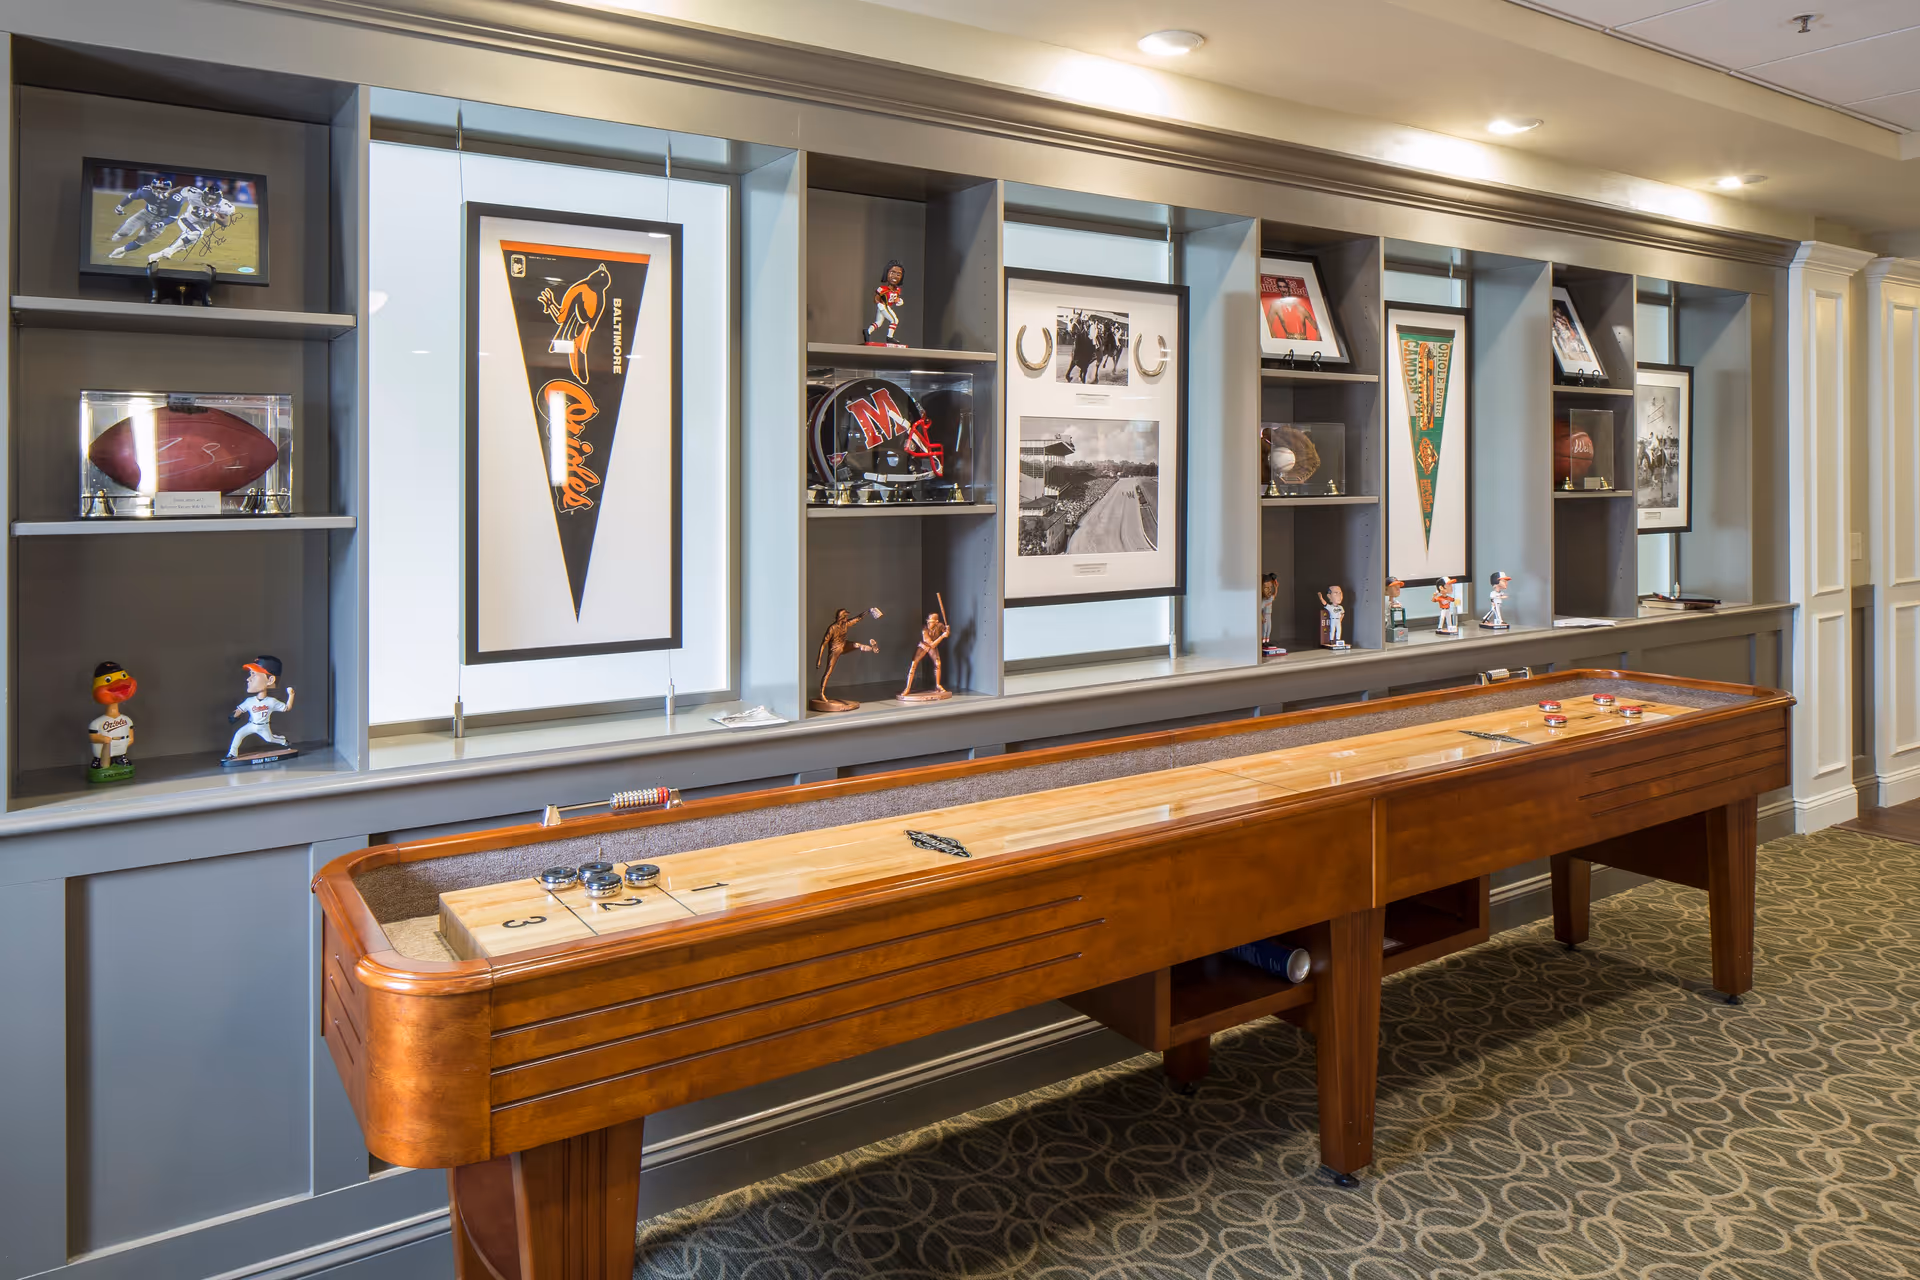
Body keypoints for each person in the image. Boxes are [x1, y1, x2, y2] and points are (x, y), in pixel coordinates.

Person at [225, 655, 295, 761]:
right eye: (250, 674)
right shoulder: (250, 701)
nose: (248, 679)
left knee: (270, 739)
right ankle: (232, 754)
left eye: (254, 674)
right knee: (239, 734)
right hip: (251, 724)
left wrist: (291, 695)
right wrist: (234, 715)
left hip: (263, 727)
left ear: (270, 680)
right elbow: (239, 710)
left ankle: (283, 741)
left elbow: (287, 708)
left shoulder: (271, 701)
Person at [87, 661, 137, 780]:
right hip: (104, 749)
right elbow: (93, 737)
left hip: (121, 747)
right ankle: (99, 762)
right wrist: (103, 739)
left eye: (123, 676)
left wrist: (128, 741)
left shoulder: (126, 720)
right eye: (108, 680)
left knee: (121, 758)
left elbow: (131, 735)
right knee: (100, 760)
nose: (119, 683)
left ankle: (120, 758)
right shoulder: (97, 723)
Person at [899, 609, 951, 699]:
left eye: (932, 621)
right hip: (924, 646)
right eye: (929, 621)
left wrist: (947, 631)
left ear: (936, 622)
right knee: (914, 664)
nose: (930, 623)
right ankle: (907, 688)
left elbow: (945, 632)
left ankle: (938, 685)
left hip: (932, 647)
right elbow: (932, 644)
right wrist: (942, 636)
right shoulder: (925, 630)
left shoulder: (939, 625)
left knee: (938, 664)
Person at [863, 261, 906, 345]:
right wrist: (879, 304)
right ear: (887, 273)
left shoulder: (897, 290)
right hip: (883, 306)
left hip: (887, 306)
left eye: (898, 274)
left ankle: (868, 331)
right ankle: (889, 337)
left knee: (879, 322)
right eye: (892, 273)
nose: (895, 276)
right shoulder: (882, 289)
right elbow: (876, 298)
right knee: (894, 320)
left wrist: (899, 301)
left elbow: (895, 300)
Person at [1318, 584, 1348, 649]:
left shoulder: (1340, 607)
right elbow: (1325, 604)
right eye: (1336, 593)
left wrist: (1341, 619)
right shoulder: (1330, 607)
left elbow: (1343, 613)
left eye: (1340, 593)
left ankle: (1338, 639)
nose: (1339, 596)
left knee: (1339, 630)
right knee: (1332, 630)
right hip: (1333, 619)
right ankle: (1331, 640)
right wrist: (1321, 598)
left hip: (1338, 620)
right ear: (1329, 596)